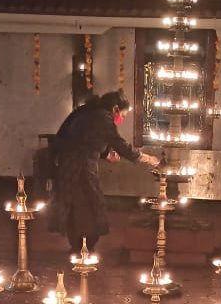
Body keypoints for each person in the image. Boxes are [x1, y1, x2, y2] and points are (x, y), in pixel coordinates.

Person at [48, 90, 159, 252]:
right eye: (123, 115)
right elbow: (119, 144)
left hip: (71, 164)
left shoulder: (90, 112)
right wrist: (146, 158)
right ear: (115, 109)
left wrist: (106, 153)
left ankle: (79, 246)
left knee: (79, 204)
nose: (121, 119)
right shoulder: (102, 118)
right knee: (88, 204)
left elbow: (88, 139)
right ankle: (83, 247)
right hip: (79, 167)